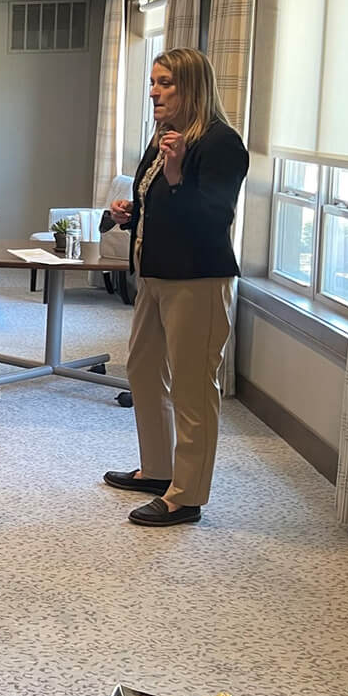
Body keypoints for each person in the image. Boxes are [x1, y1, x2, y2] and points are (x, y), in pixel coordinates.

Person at [102, 47, 249, 527]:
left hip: (198, 279)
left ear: (191, 87)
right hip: (155, 275)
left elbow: (213, 219)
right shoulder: (165, 137)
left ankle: (186, 496)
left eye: (165, 82)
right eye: (152, 82)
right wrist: (125, 214)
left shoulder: (221, 144)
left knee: (192, 387)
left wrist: (176, 174)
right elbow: (152, 201)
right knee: (144, 372)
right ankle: (159, 469)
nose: (153, 91)